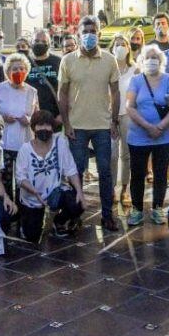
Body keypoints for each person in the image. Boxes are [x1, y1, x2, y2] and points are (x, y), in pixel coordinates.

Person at [59, 16, 122, 232]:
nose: (89, 35)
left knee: (105, 172)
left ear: (100, 34)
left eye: (93, 31)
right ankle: (75, 214)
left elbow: (115, 91)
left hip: (103, 126)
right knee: (76, 172)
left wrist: (114, 120)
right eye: (85, 31)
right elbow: (63, 93)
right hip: (77, 126)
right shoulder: (67, 60)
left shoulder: (109, 59)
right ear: (78, 34)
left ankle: (107, 215)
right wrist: (66, 123)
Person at [125, 44, 169, 226]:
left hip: (164, 136)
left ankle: (158, 208)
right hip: (138, 136)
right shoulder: (136, 80)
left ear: (161, 61)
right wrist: (148, 127)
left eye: (154, 57)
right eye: (147, 57)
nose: (151, 61)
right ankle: (137, 209)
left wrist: (160, 127)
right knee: (138, 173)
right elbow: (130, 106)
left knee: (160, 173)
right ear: (141, 60)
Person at [17, 111, 85, 241]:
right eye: (40, 125)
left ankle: (59, 222)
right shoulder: (25, 149)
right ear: (33, 128)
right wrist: (34, 192)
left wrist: (80, 192)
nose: (44, 129)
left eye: (47, 125)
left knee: (77, 203)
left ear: (52, 127)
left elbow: (71, 169)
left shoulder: (60, 143)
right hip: (32, 198)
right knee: (32, 236)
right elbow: (20, 178)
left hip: (54, 193)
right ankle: (25, 221)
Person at [0, 53, 38, 196]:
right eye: (14, 69)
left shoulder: (32, 92)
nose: (18, 72)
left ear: (27, 72)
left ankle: (24, 212)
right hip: (4, 145)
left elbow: (37, 117)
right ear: (7, 71)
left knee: (24, 180)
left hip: (25, 144)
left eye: (22, 69)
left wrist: (30, 120)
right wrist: (2, 118)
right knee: (5, 181)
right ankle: (8, 212)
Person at [110, 34, 138, 207]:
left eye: (123, 44)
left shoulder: (135, 69)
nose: (120, 47)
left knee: (126, 154)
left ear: (128, 48)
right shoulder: (107, 66)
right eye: (117, 44)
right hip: (110, 116)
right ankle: (112, 188)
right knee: (111, 154)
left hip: (128, 115)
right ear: (112, 48)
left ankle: (125, 189)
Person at [28, 29, 62, 126]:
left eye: (44, 42)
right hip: (30, 118)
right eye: (36, 41)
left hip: (54, 118)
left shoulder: (58, 62)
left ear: (49, 43)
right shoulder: (25, 62)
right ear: (31, 42)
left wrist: (62, 114)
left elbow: (66, 89)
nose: (40, 44)